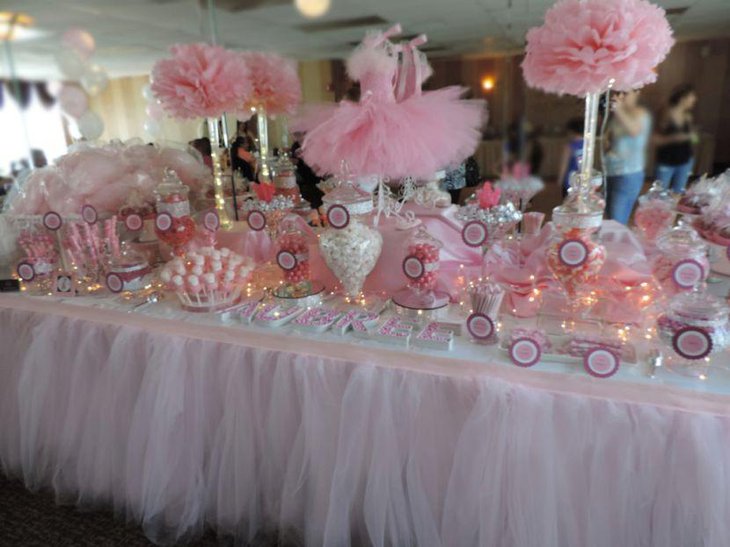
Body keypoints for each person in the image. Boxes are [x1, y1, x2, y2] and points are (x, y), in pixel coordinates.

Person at [604, 90, 651, 224]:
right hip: (611, 171)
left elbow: (634, 131)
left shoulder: (640, 113)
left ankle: (616, 244)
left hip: (628, 174)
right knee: (611, 217)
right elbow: (608, 140)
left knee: (616, 221)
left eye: (625, 93)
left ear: (637, 93)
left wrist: (618, 110)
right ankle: (613, 243)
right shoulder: (618, 115)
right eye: (618, 93)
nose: (620, 97)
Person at [654, 84, 697, 193]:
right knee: (659, 193)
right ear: (683, 98)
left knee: (678, 192)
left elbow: (693, 138)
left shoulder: (688, 116)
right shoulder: (666, 113)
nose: (694, 100)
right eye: (692, 97)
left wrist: (693, 137)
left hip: (685, 159)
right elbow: (655, 139)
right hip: (666, 159)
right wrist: (674, 138)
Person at [556, 118, 584, 198]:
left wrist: (560, 180)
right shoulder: (587, 144)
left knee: (568, 202)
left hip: (570, 179)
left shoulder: (569, 146)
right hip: (583, 178)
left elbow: (563, 165)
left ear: (571, 131)